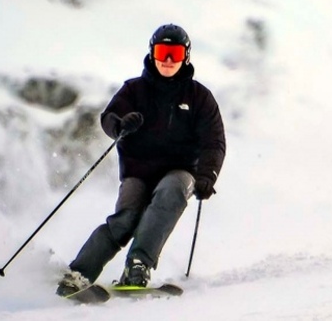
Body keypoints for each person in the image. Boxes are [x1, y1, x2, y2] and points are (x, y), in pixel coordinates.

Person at [56, 24, 226, 296]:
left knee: (173, 191)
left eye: (174, 53)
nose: (168, 60)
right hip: (138, 172)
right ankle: (78, 274)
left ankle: (138, 265)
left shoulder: (199, 98)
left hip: (179, 171)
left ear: (186, 56)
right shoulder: (134, 90)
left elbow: (213, 142)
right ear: (152, 53)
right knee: (125, 221)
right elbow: (109, 118)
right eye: (162, 52)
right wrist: (120, 125)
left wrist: (208, 175)